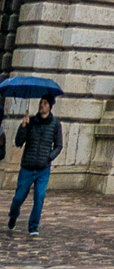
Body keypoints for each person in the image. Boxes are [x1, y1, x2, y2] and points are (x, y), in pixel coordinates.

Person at [10, 97, 57, 234]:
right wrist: (23, 126)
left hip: (43, 169)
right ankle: (13, 216)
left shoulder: (55, 124)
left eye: (45, 103)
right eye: (40, 103)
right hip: (27, 167)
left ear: (50, 107)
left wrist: (49, 157)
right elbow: (19, 142)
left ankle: (33, 226)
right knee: (19, 197)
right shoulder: (31, 121)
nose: (41, 105)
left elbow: (59, 145)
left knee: (39, 197)